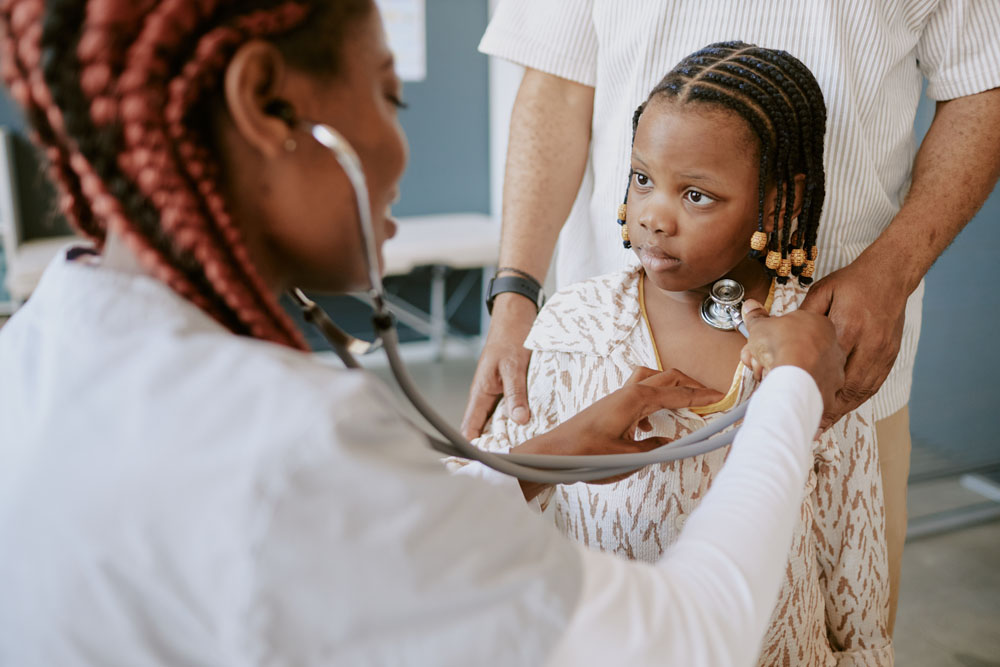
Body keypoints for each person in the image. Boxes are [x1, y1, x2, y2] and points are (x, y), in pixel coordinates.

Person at [0, 1, 850, 664]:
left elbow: (373, 526)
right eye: (386, 94)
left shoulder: (37, 350)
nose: (398, 147)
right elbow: (687, 643)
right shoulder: (289, 442)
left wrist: (556, 450)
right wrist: (791, 389)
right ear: (265, 103)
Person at [464, 0, 1000, 632]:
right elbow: (555, 83)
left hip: (849, 347)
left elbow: (984, 82)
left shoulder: (818, 362)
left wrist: (892, 274)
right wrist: (516, 297)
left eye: (694, 195)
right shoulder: (575, 332)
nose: (655, 216)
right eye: (640, 180)